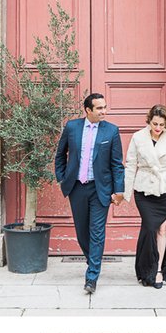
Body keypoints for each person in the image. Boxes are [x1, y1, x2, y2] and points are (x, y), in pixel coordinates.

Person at [54, 93, 125, 294]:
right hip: (76, 187)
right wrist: (62, 177)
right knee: (82, 232)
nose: (104, 111)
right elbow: (60, 155)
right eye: (99, 108)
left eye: (105, 107)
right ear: (88, 110)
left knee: (97, 233)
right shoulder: (72, 127)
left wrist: (119, 190)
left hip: (99, 189)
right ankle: (92, 259)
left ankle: (92, 276)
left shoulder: (111, 131)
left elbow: (117, 164)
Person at [122, 104, 166, 289]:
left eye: (162, 124)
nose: (158, 128)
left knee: (162, 229)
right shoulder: (138, 138)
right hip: (144, 190)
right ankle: (145, 268)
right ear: (149, 121)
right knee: (150, 228)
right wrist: (125, 193)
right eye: (155, 123)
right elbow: (130, 165)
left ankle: (157, 270)